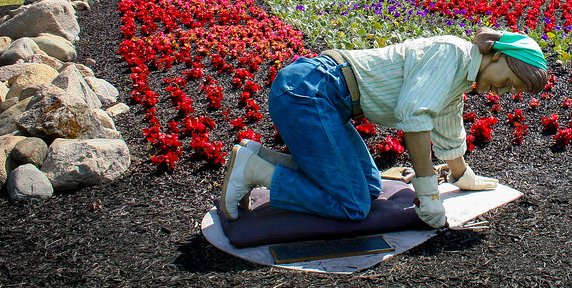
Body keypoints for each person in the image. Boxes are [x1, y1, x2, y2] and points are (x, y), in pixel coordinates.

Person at [220, 27, 549, 228]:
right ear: (497, 56)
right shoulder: (451, 54)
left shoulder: (459, 78)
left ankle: (256, 157)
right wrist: (428, 194)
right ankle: (255, 171)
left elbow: (448, 130)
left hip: (321, 95)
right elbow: (415, 118)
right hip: (308, 91)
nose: (503, 91)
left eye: (512, 91)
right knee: (353, 205)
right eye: (509, 81)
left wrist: (463, 177)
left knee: (368, 186)